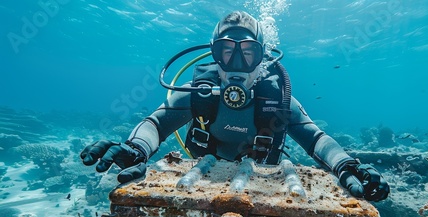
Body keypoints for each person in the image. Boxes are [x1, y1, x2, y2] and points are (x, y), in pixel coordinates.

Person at [80, 11, 389, 202]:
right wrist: (136, 149)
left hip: (261, 179)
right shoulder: (201, 91)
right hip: (201, 177)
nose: (237, 64)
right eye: (227, 52)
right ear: (215, 56)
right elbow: (157, 123)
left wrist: (347, 165)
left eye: (248, 53)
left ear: (263, 57)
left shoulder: (275, 97)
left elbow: (315, 138)